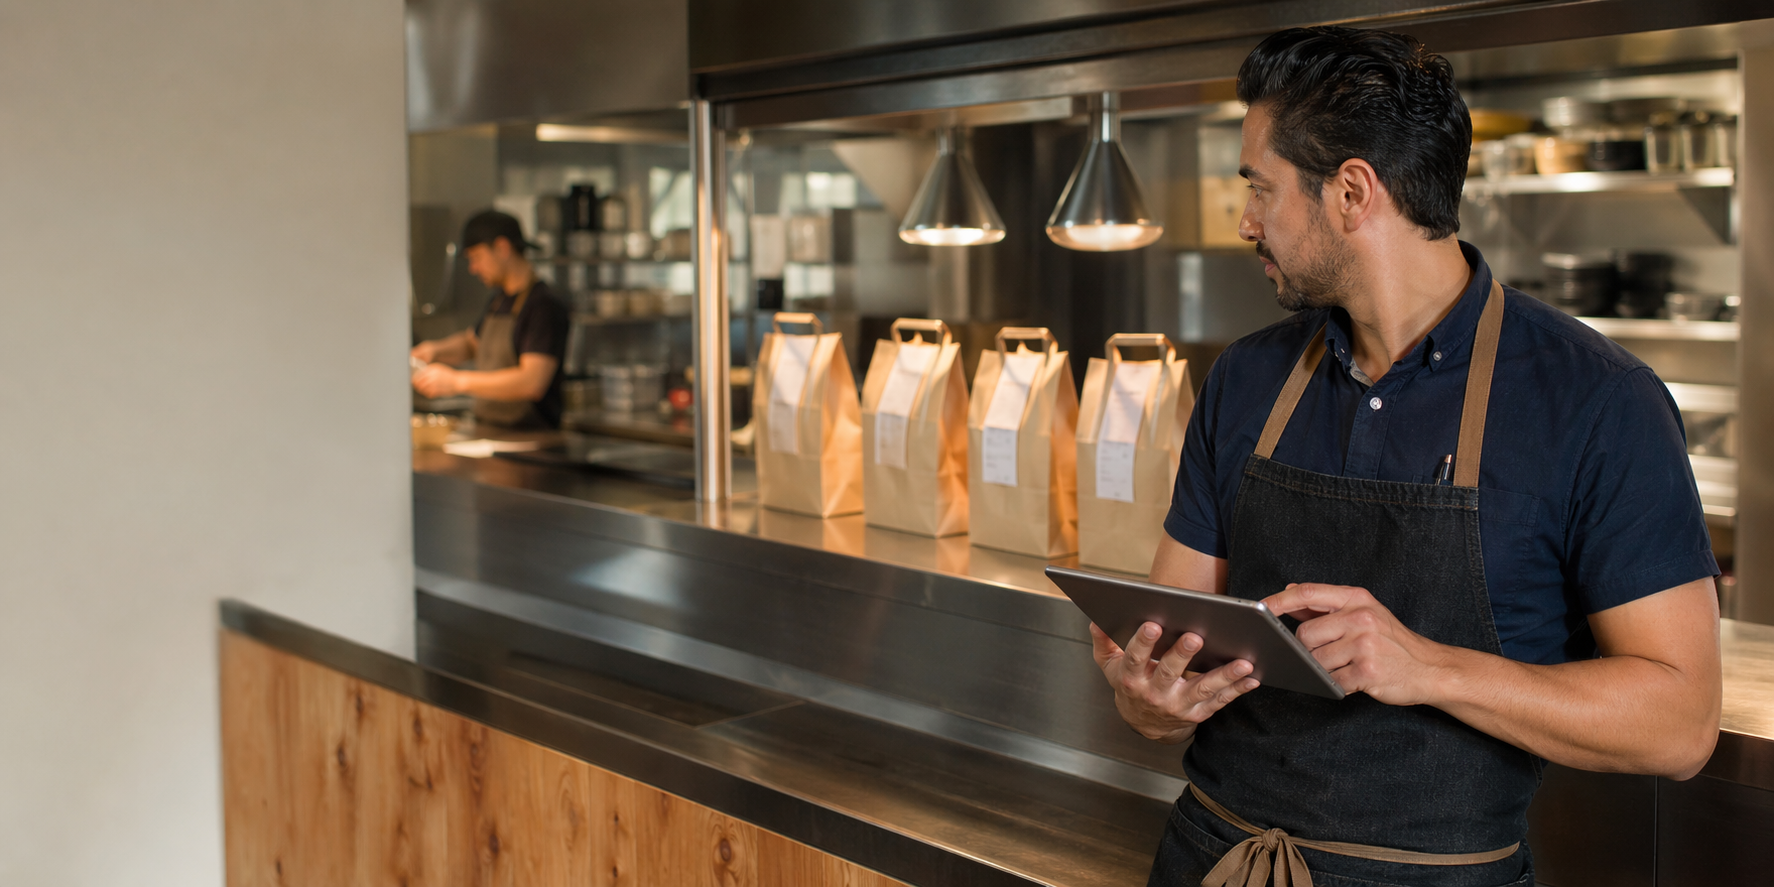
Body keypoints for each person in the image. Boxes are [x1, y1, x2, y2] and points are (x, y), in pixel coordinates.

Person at [1091, 27, 1722, 887]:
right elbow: (1167, 672)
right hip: (1214, 860)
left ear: (1352, 191)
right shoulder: (1246, 378)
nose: (1246, 221)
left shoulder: (1598, 401)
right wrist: (1148, 698)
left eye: (1260, 188)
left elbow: (1680, 725)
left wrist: (1427, 666)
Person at [412, 210, 569, 429]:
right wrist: (433, 351)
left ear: (502, 248)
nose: (473, 268)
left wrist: (457, 381)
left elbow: (531, 381)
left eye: (477, 258)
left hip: (531, 438)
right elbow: (471, 344)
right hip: (492, 430)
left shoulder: (543, 305)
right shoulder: (498, 301)